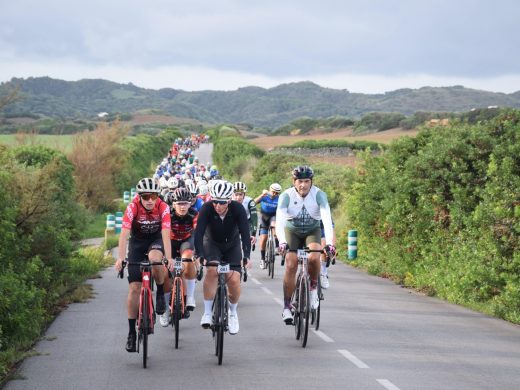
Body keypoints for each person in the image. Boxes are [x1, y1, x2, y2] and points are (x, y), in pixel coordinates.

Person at [115, 178, 173, 352]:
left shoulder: (163, 207)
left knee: (156, 260)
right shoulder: (132, 207)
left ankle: (161, 293)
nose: (149, 200)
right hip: (137, 243)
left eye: (153, 196)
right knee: (134, 288)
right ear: (139, 197)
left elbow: (165, 234)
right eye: (146, 196)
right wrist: (120, 258)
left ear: (158, 196)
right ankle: (131, 332)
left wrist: (169, 258)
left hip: (156, 241)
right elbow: (124, 234)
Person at [275, 166, 336, 324]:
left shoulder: (319, 195)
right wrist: (282, 242)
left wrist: (329, 243)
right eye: (300, 181)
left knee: (315, 258)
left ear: (311, 182)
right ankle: (287, 306)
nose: (303, 185)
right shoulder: (286, 196)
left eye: (306, 181)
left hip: (312, 231)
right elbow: (280, 222)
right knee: (291, 263)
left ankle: (313, 287)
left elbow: (327, 221)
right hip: (292, 232)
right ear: (294, 182)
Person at [194, 180, 251, 335]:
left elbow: (245, 233)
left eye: (222, 202)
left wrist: (246, 255)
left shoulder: (238, 209)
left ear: (229, 201)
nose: (217, 206)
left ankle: (233, 313)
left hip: (232, 245)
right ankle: (207, 312)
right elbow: (198, 233)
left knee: (233, 280)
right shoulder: (206, 208)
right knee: (212, 270)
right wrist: (199, 254)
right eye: (215, 202)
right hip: (212, 243)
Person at [159, 187, 199, 327]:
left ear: (190, 204)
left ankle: (190, 297)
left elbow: (199, 234)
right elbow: (161, 234)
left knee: (188, 259)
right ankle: (165, 310)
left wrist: (199, 253)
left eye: (185, 203)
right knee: (164, 273)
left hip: (186, 241)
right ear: (173, 204)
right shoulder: (168, 215)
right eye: (179, 204)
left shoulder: (194, 214)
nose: (182, 207)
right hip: (170, 242)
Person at [254, 183, 282, 269]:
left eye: (277, 193)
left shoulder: (280, 199)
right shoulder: (265, 196)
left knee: (274, 226)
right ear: (270, 190)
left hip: (274, 216)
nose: (275, 194)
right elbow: (253, 202)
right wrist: (262, 195)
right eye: (273, 192)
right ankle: (262, 259)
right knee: (263, 239)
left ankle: (277, 247)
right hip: (264, 217)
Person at [232, 181, 258, 249]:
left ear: (244, 194)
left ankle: (246, 257)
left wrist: (253, 234)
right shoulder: (229, 201)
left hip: (247, 221)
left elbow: (254, 218)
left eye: (240, 194)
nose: (238, 197)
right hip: (234, 221)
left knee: (247, 240)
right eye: (236, 195)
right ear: (232, 194)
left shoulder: (250, 201)